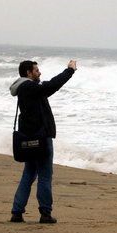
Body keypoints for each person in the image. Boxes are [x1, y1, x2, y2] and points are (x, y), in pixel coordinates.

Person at [9, 60, 77, 223]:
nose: (39, 73)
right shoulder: (30, 87)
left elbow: (46, 88)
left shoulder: (23, 89)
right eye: (36, 70)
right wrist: (69, 71)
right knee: (45, 176)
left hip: (29, 138)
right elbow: (51, 86)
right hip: (40, 138)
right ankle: (45, 213)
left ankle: (17, 212)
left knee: (29, 174)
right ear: (28, 73)